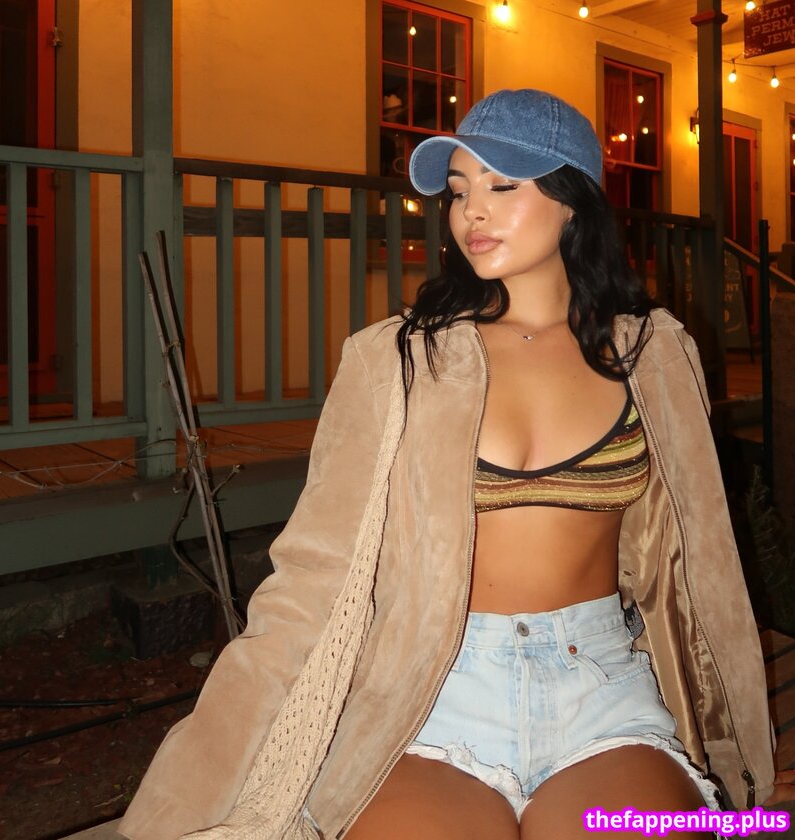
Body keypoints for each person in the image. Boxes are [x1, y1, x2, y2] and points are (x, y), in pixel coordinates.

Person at [120, 90, 779, 840]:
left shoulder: (654, 355)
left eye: (503, 185)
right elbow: (314, 573)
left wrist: (743, 750)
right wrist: (201, 769)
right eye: (459, 191)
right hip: (432, 696)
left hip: (603, 692)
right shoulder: (398, 361)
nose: (472, 212)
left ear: (573, 203)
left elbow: (706, 567)